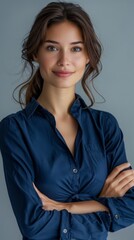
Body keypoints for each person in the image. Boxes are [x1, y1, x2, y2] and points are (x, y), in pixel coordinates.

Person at [0, 2, 134, 240]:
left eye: (76, 49)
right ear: (35, 53)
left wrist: (69, 207)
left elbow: (131, 208)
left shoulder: (106, 126)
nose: (64, 60)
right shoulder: (15, 129)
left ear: (88, 57)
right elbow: (34, 225)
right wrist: (101, 203)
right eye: (52, 48)